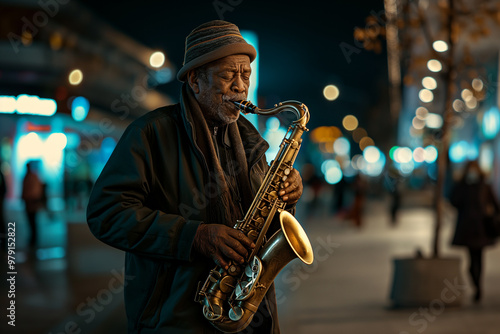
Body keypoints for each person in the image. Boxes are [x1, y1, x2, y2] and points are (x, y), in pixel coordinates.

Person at [87, 20, 303, 334]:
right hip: (176, 320)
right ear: (195, 80)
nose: (240, 86)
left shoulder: (251, 140)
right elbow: (106, 213)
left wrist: (286, 199)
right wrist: (194, 236)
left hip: (248, 315)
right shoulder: (151, 132)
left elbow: (264, 223)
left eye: (245, 74)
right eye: (229, 74)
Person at [450, 160, 499, 303]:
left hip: (481, 228)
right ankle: (475, 282)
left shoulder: (485, 185)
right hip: (467, 228)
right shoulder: (462, 186)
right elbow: (453, 200)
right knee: (472, 260)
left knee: (479, 258)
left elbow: (495, 204)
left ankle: (478, 287)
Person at [22, 161, 44, 248]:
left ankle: (34, 239)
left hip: (32, 202)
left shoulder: (32, 177)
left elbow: (35, 191)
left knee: (33, 221)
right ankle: (33, 238)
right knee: (30, 221)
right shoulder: (27, 177)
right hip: (28, 202)